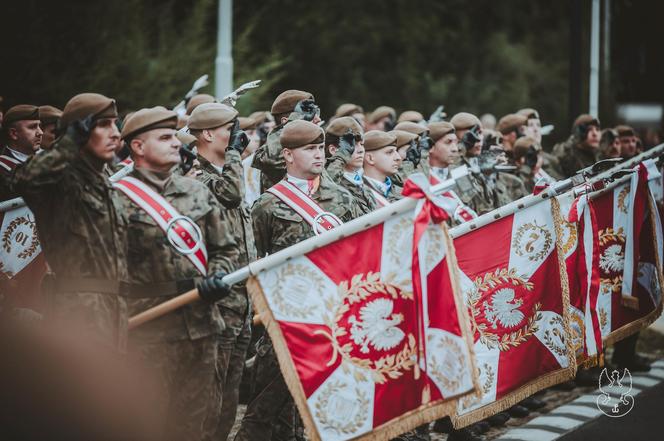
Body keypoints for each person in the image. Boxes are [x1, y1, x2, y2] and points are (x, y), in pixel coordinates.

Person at [117, 106, 237, 441]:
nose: (177, 144)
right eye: (166, 137)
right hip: (146, 332)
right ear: (138, 147)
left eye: (175, 136)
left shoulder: (196, 192)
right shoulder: (118, 199)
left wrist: (218, 276)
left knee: (191, 427)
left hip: (201, 327)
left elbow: (226, 249)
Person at [237, 120, 360, 441]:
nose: (318, 155)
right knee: (268, 410)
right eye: (309, 149)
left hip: (334, 316)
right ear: (288, 155)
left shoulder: (343, 199)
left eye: (320, 148)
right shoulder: (267, 204)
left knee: (329, 405)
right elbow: (253, 262)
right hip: (287, 320)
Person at [12, 93, 128, 350]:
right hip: (77, 314)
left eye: (115, 124)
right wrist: (68, 144)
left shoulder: (103, 183)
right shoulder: (61, 180)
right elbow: (25, 180)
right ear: (79, 131)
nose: (115, 133)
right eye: (102, 124)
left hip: (114, 311)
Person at [187, 102, 257, 440]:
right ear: (207, 134)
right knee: (209, 398)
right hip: (217, 301)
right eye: (230, 130)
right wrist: (234, 157)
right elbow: (230, 195)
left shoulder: (226, 173)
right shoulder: (196, 176)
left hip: (240, 299)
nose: (237, 138)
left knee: (229, 398)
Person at [251, 89, 318, 191]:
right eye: (309, 113)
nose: (318, 119)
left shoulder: (317, 151)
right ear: (285, 122)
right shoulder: (272, 153)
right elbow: (272, 160)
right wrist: (293, 124)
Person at [324, 116, 378, 214]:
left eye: (362, 144)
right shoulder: (325, 180)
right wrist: (342, 156)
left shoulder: (363, 185)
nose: (361, 150)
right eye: (352, 145)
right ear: (333, 150)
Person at [517, 108, 564, 180]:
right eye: (530, 125)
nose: (536, 129)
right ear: (520, 131)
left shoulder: (551, 160)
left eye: (538, 125)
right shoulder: (518, 161)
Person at [362, 130, 403, 204]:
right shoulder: (357, 194)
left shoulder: (401, 191)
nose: (398, 157)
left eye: (396, 151)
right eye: (389, 152)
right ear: (370, 158)